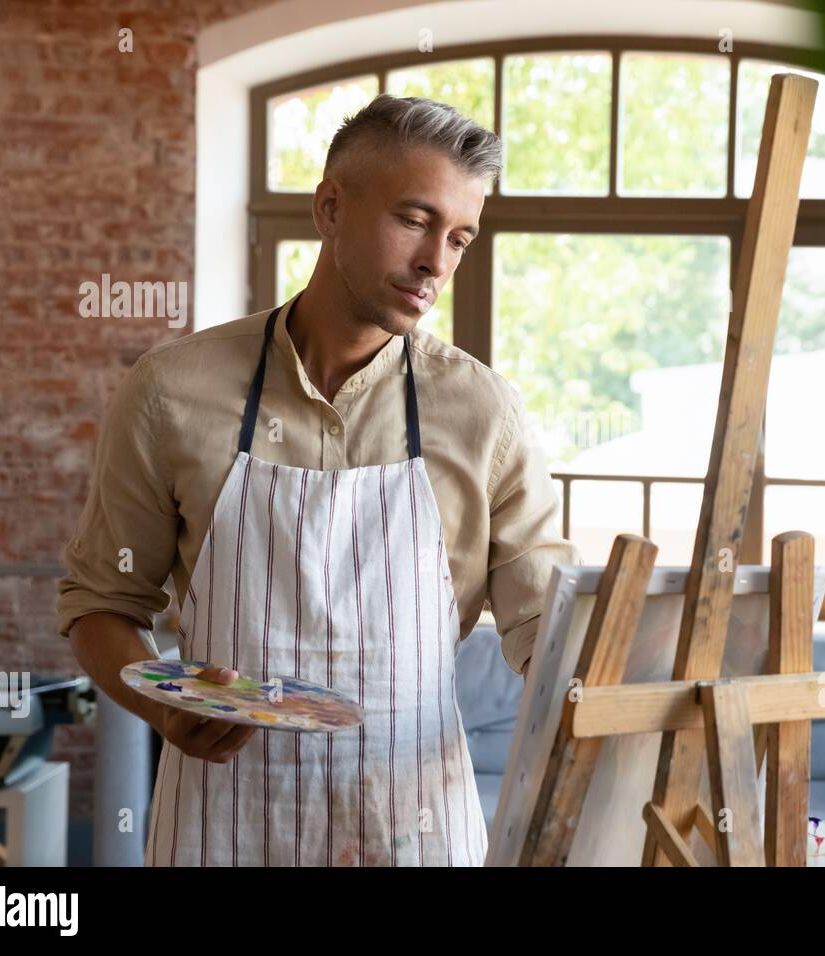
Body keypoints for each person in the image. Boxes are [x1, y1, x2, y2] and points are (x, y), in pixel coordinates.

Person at [57, 95, 579, 866]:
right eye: (415, 219)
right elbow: (102, 604)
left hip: (415, 828)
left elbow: (551, 636)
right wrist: (164, 711)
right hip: (223, 819)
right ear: (330, 207)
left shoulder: (483, 413)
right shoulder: (173, 389)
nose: (437, 261)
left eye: (460, 237)